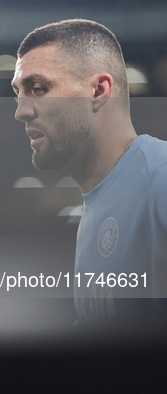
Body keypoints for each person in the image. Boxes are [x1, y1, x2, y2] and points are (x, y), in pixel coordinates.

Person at [11, 19, 167, 326]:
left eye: (38, 89)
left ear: (99, 90)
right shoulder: (95, 208)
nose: (21, 111)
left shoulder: (160, 177)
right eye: (19, 92)